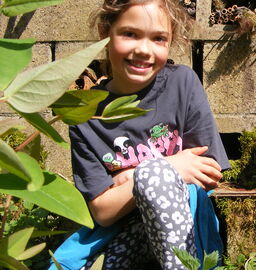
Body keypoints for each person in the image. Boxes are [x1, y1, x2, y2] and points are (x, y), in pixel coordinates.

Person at [56, 0, 230, 269]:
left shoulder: (182, 84)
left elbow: (208, 173)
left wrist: (132, 178)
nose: (143, 50)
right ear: (105, 32)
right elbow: (102, 212)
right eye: (130, 34)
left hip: (185, 234)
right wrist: (159, 169)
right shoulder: (84, 113)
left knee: (153, 175)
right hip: (121, 234)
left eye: (158, 38)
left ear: (171, 41)